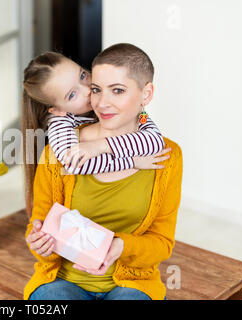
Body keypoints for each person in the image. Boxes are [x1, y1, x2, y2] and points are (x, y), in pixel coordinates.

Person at [21, 43, 183, 300]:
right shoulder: (60, 151)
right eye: (97, 90)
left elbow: (162, 244)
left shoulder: (167, 155)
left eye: (117, 91)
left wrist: (120, 246)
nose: (101, 102)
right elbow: (41, 230)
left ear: (146, 93)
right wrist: (40, 243)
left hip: (131, 284)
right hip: (63, 282)